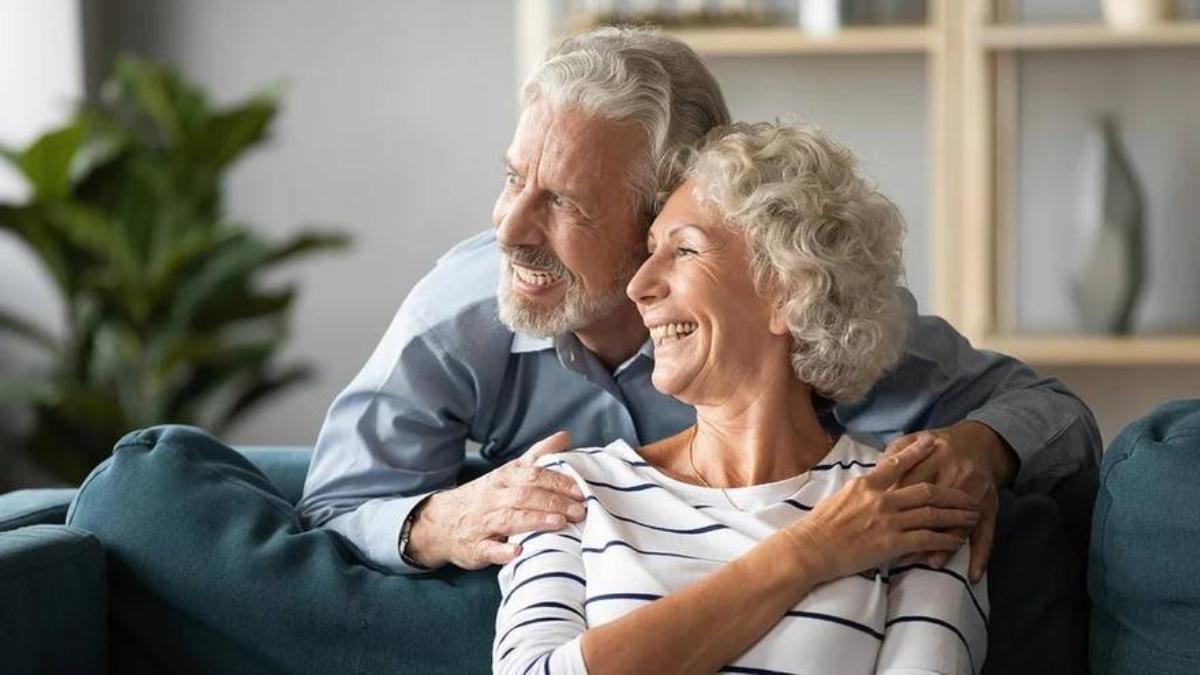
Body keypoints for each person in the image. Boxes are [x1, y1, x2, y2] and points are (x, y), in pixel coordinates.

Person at [296, 27, 1099, 583]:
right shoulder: (467, 310)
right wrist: (439, 523)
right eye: (513, 180)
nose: (509, 229)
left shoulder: (794, 310)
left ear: (668, 213)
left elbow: (1050, 413)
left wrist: (975, 448)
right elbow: (332, 507)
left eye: (567, 204)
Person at [494, 121, 987, 675]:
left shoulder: (903, 503)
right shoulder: (571, 491)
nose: (639, 287)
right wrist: (807, 552)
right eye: (649, 251)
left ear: (789, 292)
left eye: (682, 251)